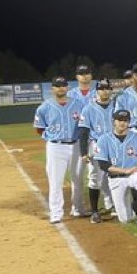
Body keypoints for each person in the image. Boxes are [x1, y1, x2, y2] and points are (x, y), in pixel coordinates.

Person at [34, 76, 87, 223]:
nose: (60, 88)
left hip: (76, 145)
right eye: (57, 86)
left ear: (67, 88)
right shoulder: (44, 107)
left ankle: (78, 208)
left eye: (63, 85)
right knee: (56, 181)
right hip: (56, 146)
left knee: (78, 179)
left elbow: (84, 126)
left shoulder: (79, 105)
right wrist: (50, 137)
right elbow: (39, 128)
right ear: (52, 89)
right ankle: (56, 213)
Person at [93, 109, 137, 227]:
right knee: (125, 219)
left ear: (129, 122)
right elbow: (103, 165)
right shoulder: (104, 139)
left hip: (133, 175)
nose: (122, 123)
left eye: (125, 120)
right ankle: (135, 206)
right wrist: (125, 170)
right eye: (119, 120)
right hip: (116, 178)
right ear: (113, 121)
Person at [77, 79, 115, 222]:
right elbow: (83, 131)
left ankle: (114, 206)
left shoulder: (116, 105)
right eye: (102, 88)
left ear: (111, 90)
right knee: (95, 178)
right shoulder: (89, 108)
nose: (105, 91)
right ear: (97, 91)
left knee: (113, 175)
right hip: (97, 144)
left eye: (107, 88)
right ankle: (94, 211)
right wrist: (83, 152)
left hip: (114, 144)